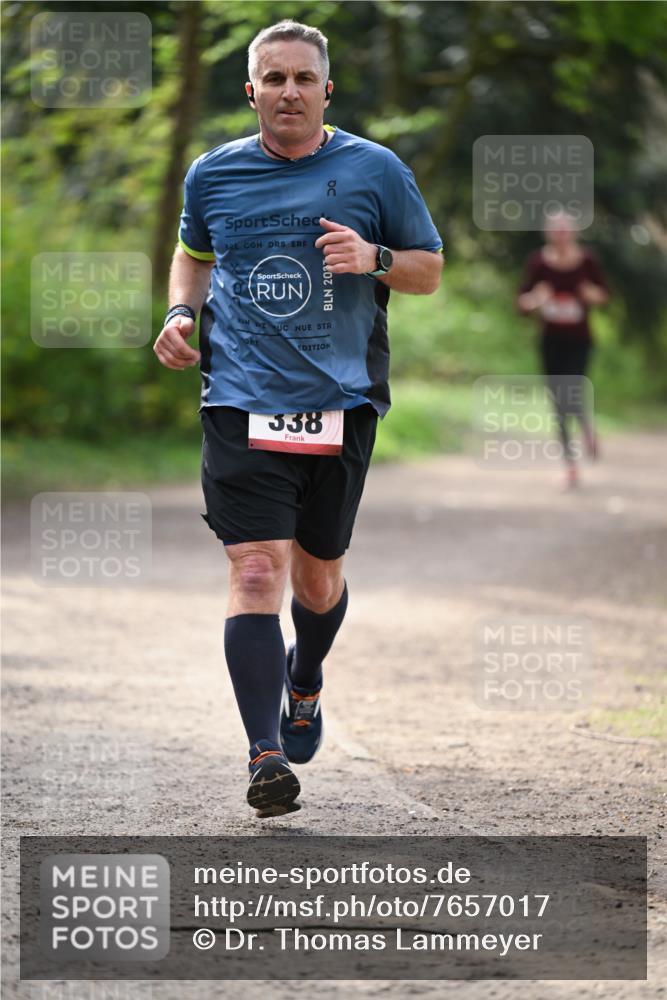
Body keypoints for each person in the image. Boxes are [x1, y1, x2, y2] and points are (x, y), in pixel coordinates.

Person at [153, 20, 444, 816]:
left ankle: (305, 679)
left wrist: (374, 258)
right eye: (273, 79)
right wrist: (180, 313)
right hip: (239, 397)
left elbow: (428, 270)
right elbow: (193, 254)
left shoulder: (374, 170)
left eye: (302, 79)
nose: (288, 92)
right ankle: (265, 756)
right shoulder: (213, 173)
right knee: (255, 571)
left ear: (326, 91)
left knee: (317, 580)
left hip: (340, 401)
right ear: (251, 91)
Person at [517, 212, 609, 490]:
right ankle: (570, 466)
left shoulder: (587, 261)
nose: (560, 235)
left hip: (580, 341)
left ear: (574, 233)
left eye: (565, 230)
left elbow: (604, 295)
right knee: (558, 402)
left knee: (572, 391)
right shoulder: (538, 262)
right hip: (551, 341)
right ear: (547, 233)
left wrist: (589, 294)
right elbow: (521, 302)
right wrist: (537, 299)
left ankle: (587, 429)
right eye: (555, 230)